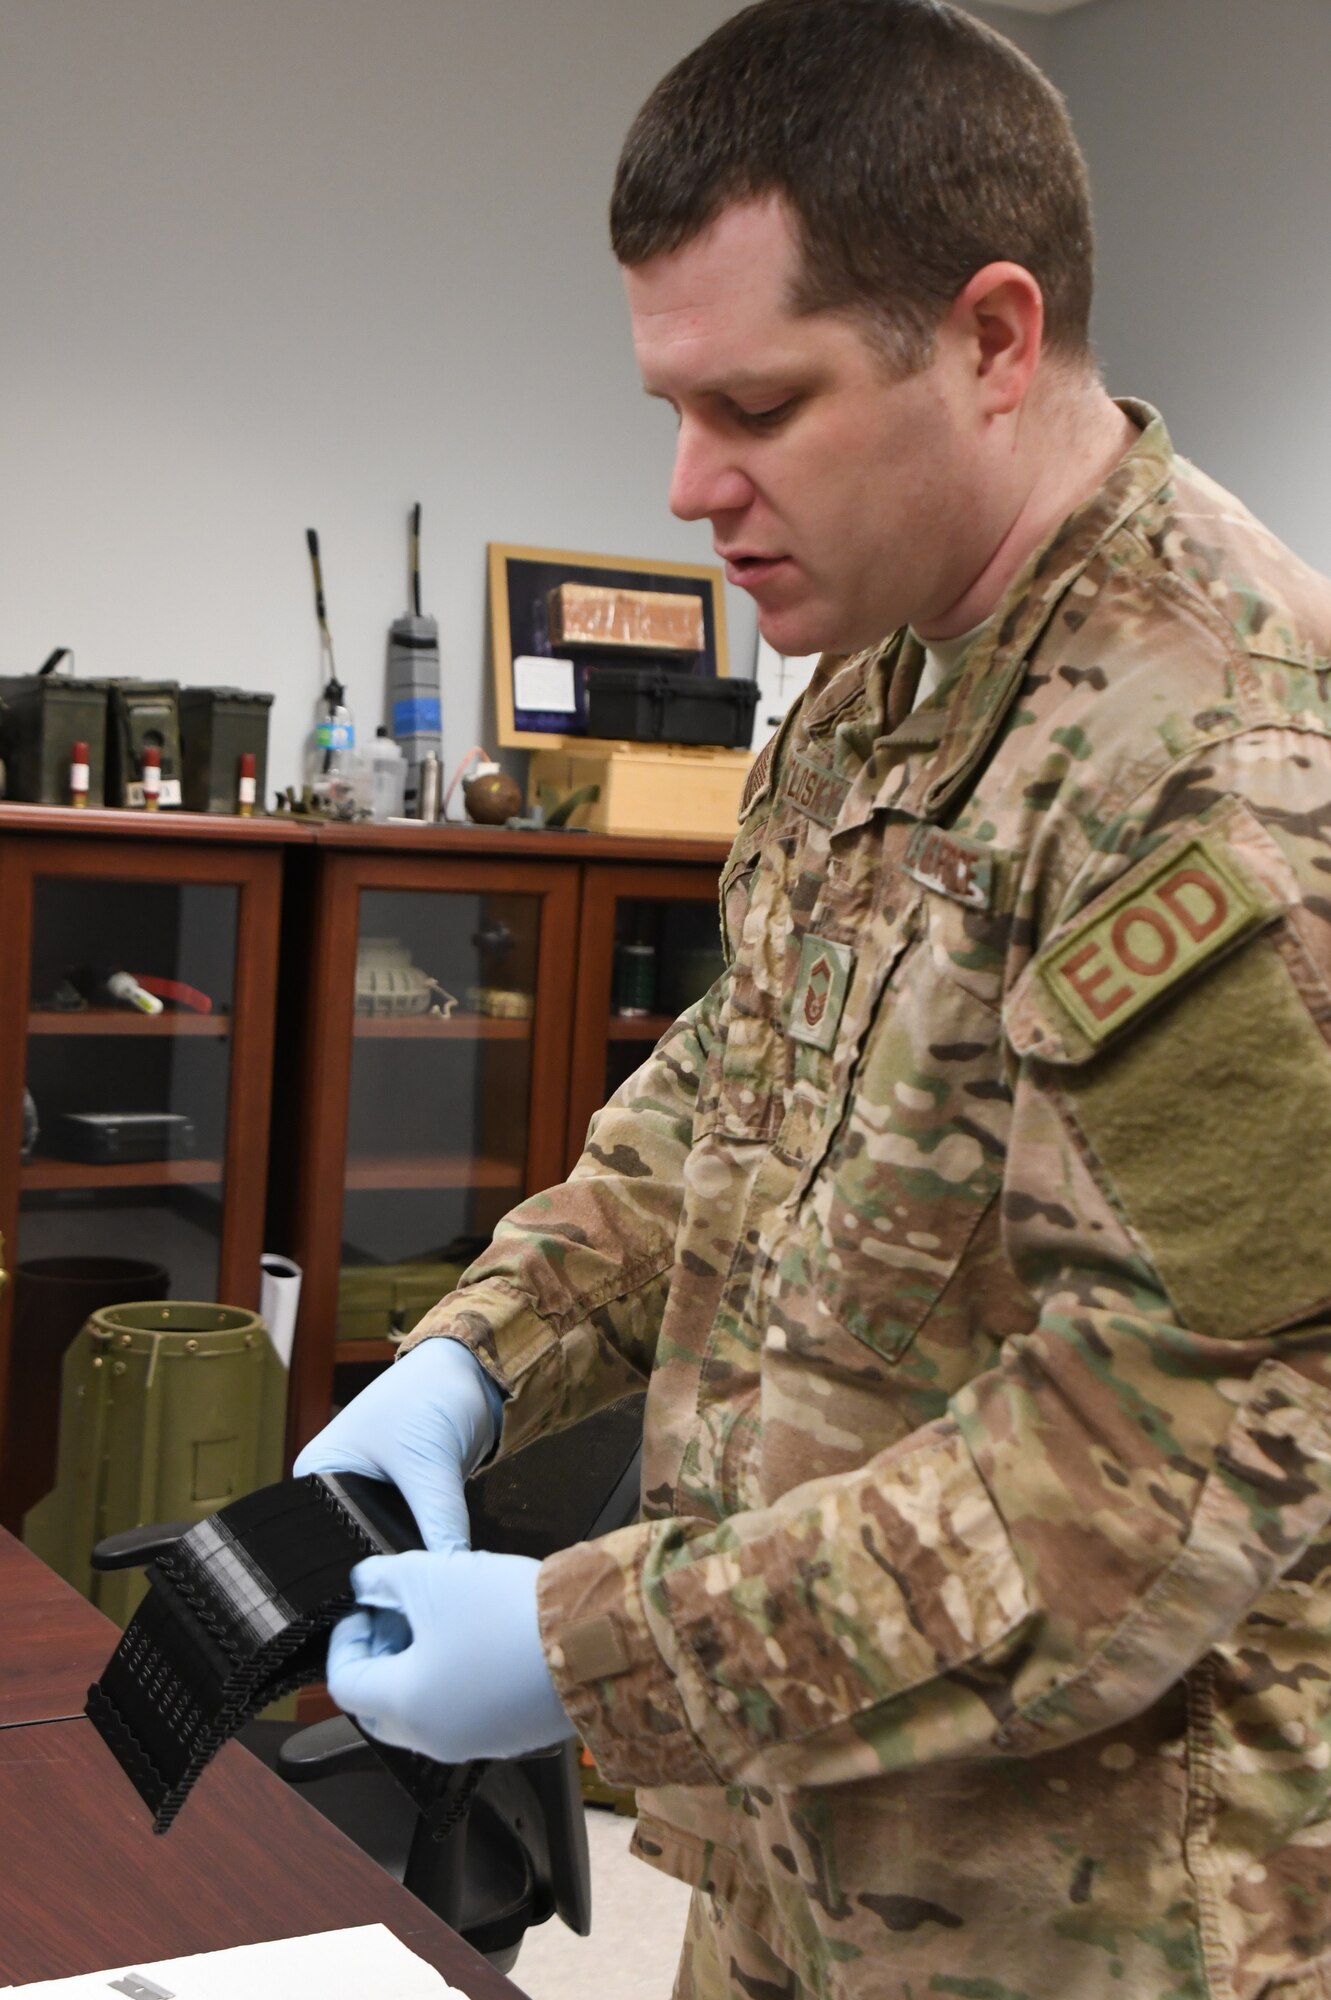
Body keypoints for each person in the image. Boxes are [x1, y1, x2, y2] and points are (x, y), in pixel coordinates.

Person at [296, 3, 1331, 1993]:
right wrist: (483, 1357)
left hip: (1096, 1919)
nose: (687, 486)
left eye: (756, 407)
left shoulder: (1214, 760)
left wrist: (585, 1650)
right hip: (812, 1846)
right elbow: (735, 1085)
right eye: (673, 405)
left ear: (994, 338)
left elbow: (1169, 1455)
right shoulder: (884, 679)